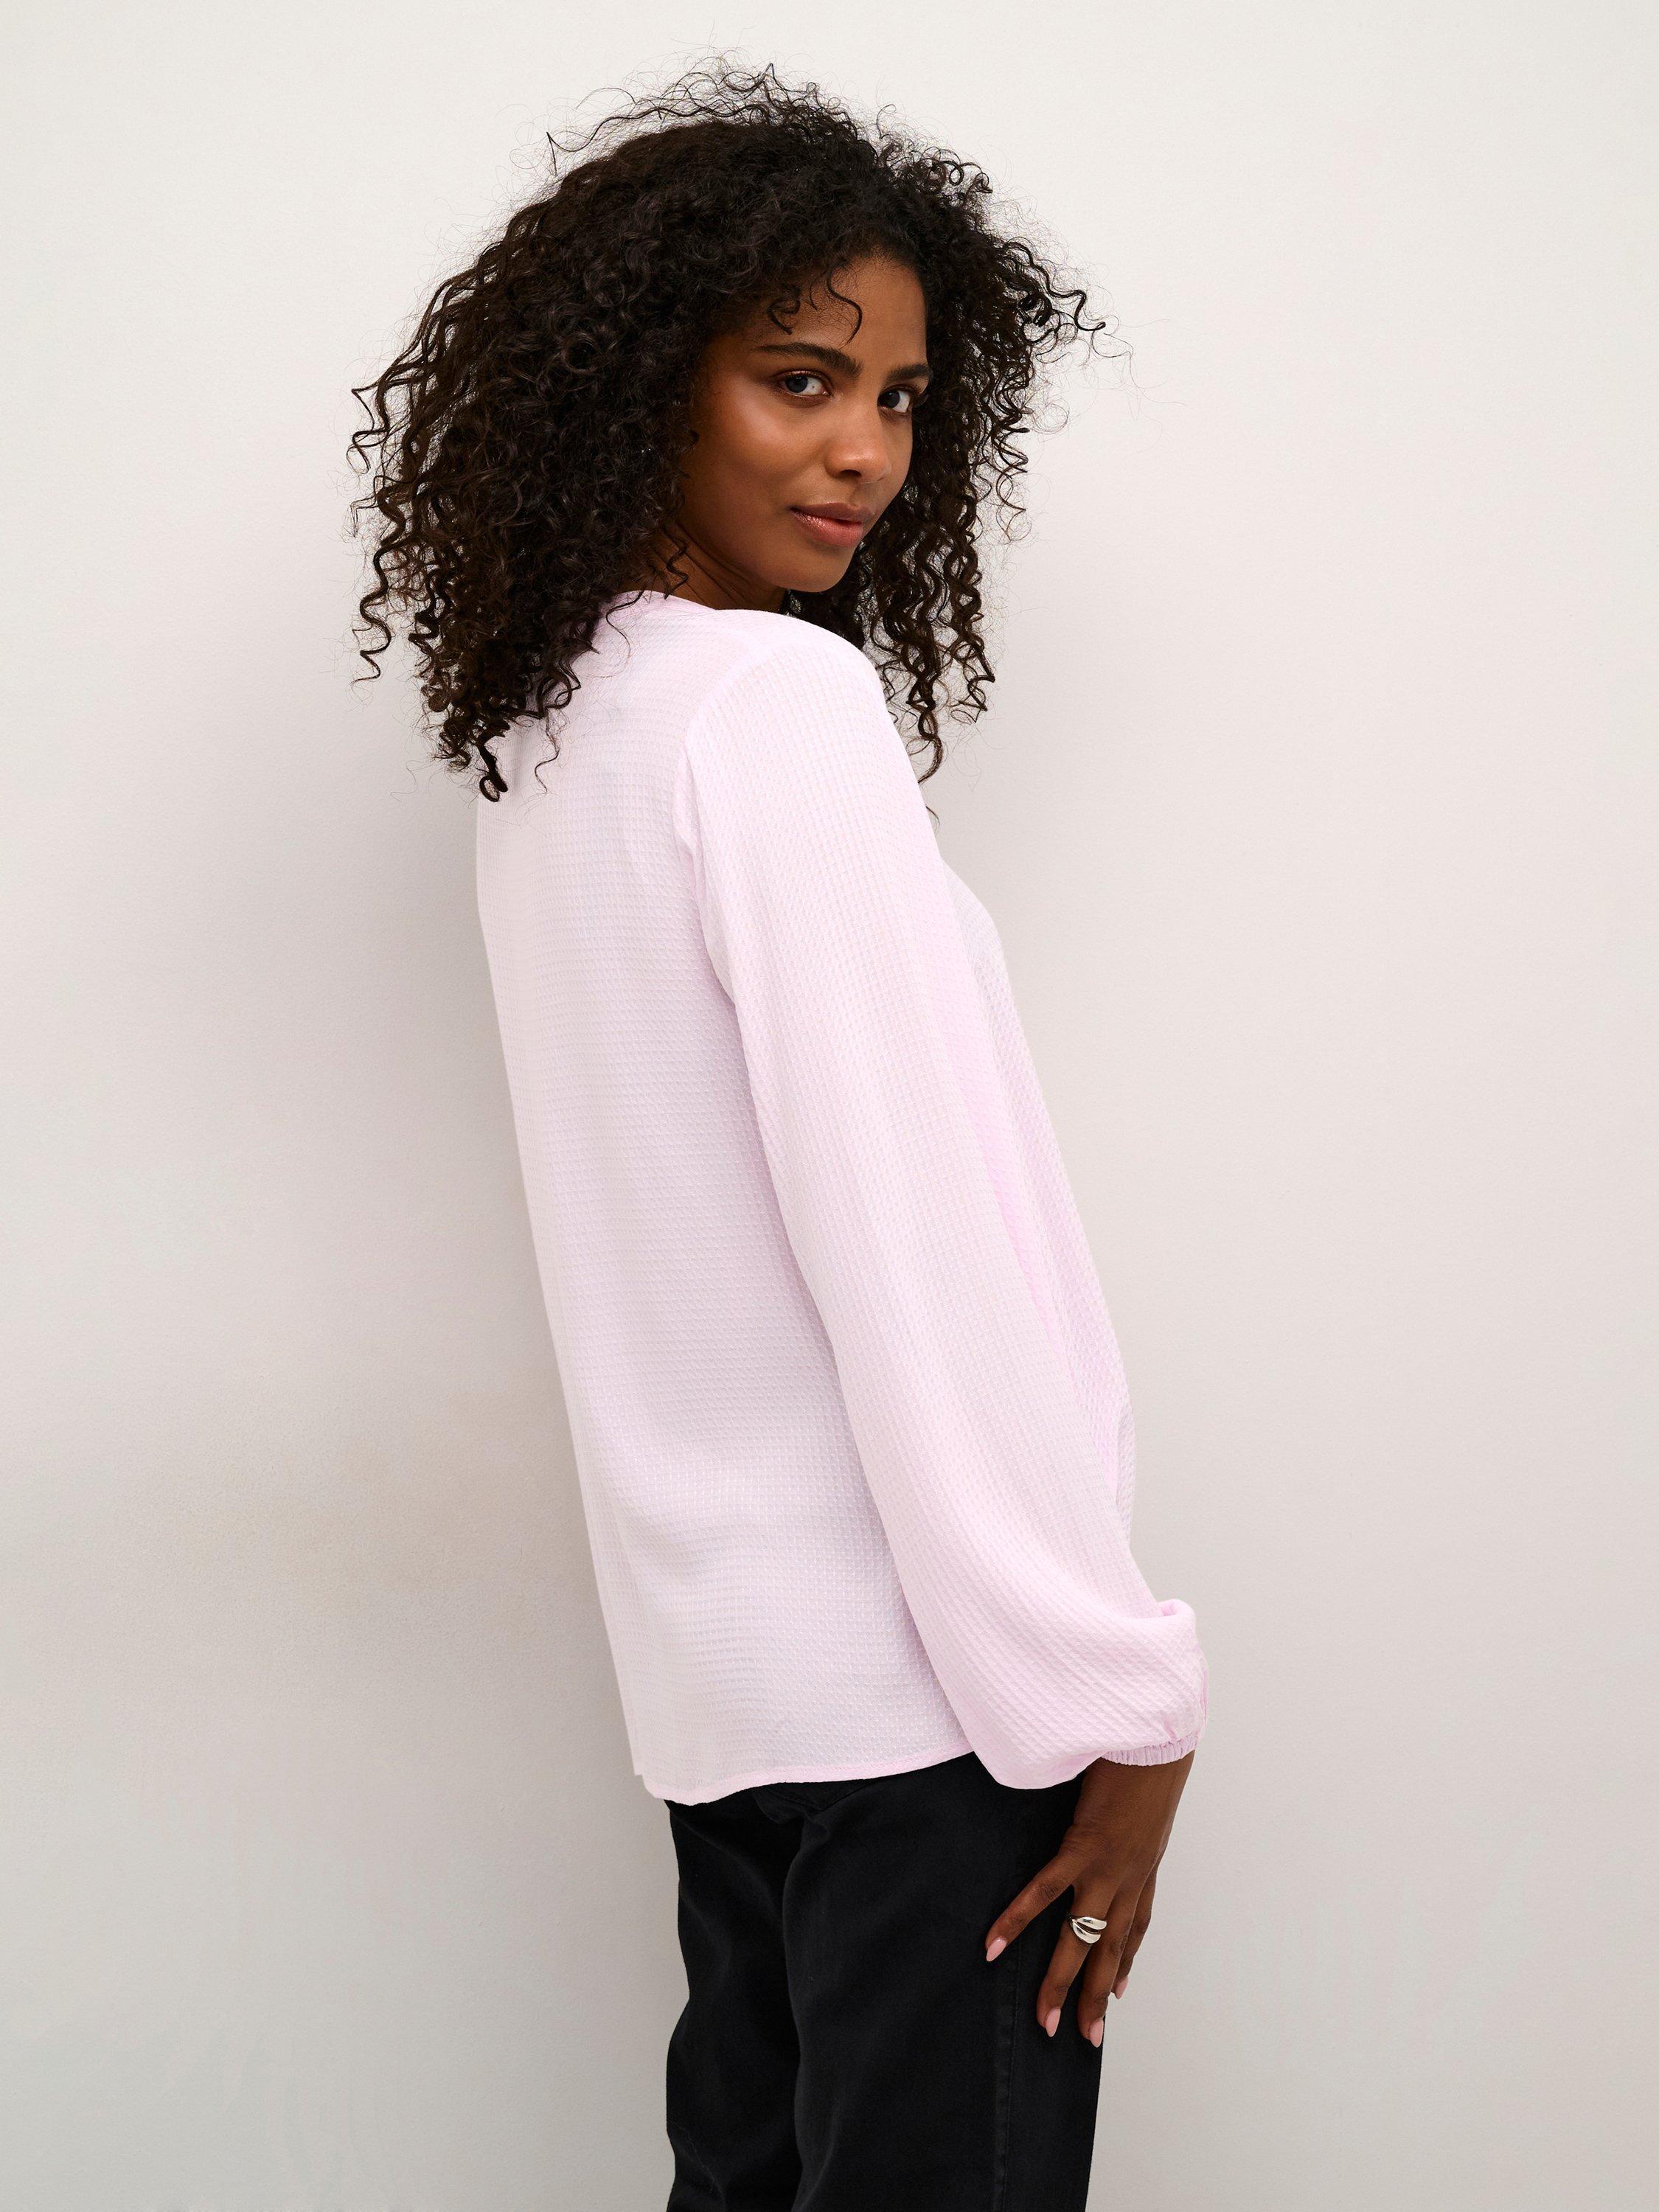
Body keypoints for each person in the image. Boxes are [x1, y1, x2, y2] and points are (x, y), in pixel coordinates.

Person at [349, 59, 1208, 2211]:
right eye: (799, 380)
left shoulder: (561, 736)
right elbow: (917, 1256)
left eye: (901, 399)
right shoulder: (772, 709)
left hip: (731, 1721)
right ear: (645, 378)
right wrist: (1119, 1700)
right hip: (929, 1718)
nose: (864, 455)